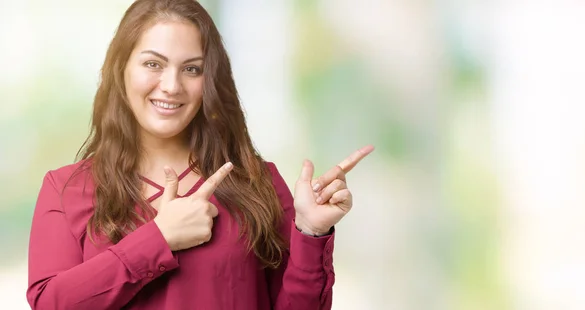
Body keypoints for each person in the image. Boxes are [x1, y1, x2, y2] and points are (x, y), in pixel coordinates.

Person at [26, 0, 374, 309]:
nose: (172, 85)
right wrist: (158, 239)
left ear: (209, 80)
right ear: (120, 70)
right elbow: (50, 303)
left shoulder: (256, 182)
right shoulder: (66, 189)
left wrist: (311, 232)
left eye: (191, 68)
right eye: (153, 64)